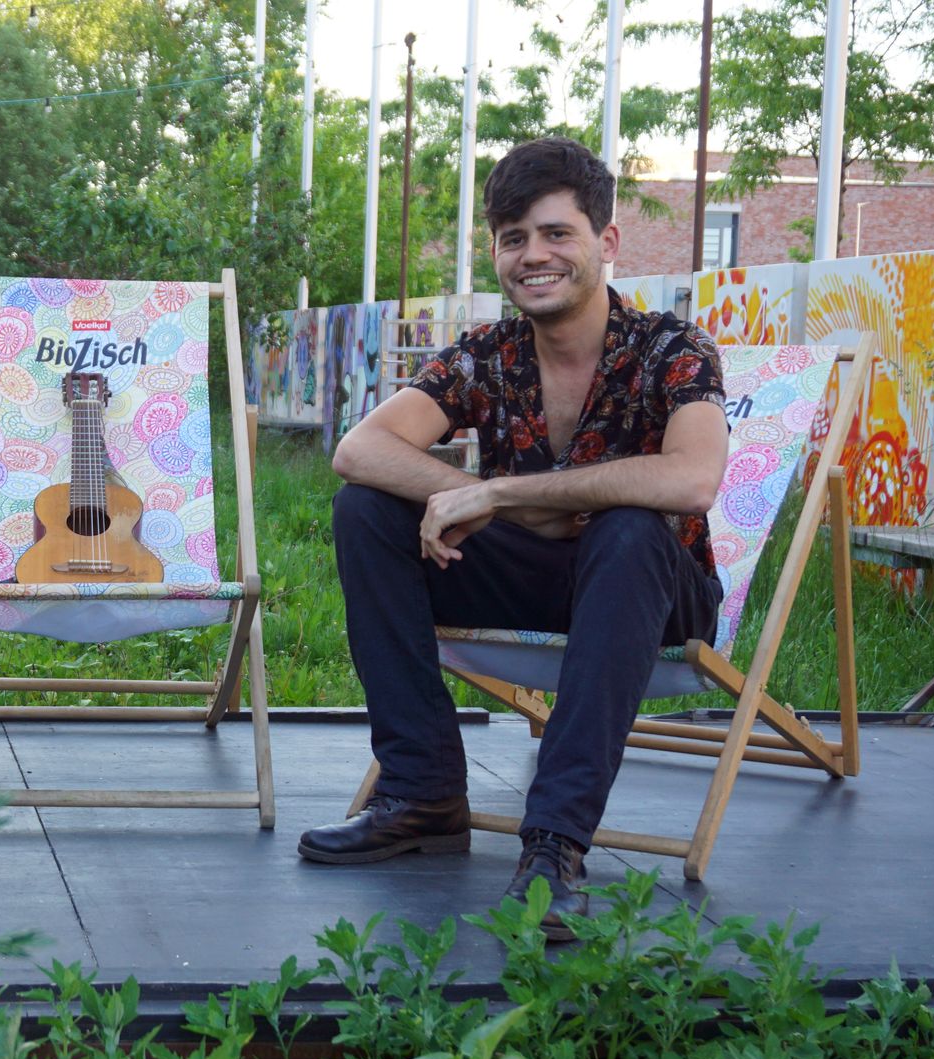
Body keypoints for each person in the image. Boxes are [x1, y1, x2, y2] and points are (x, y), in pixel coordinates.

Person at [299, 137, 729, 940]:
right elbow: (359, 448)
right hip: (537, 578)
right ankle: (422, 790)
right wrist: (480, 496)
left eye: (556, 233)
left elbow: (690, 480)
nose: (534, 255)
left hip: (654, 596)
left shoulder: (673, 348)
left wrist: (506, 491)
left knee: (631, 529)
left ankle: (555, 843)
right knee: (366, 509)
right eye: (513, 238)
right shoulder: (487, 357)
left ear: (606, 242)